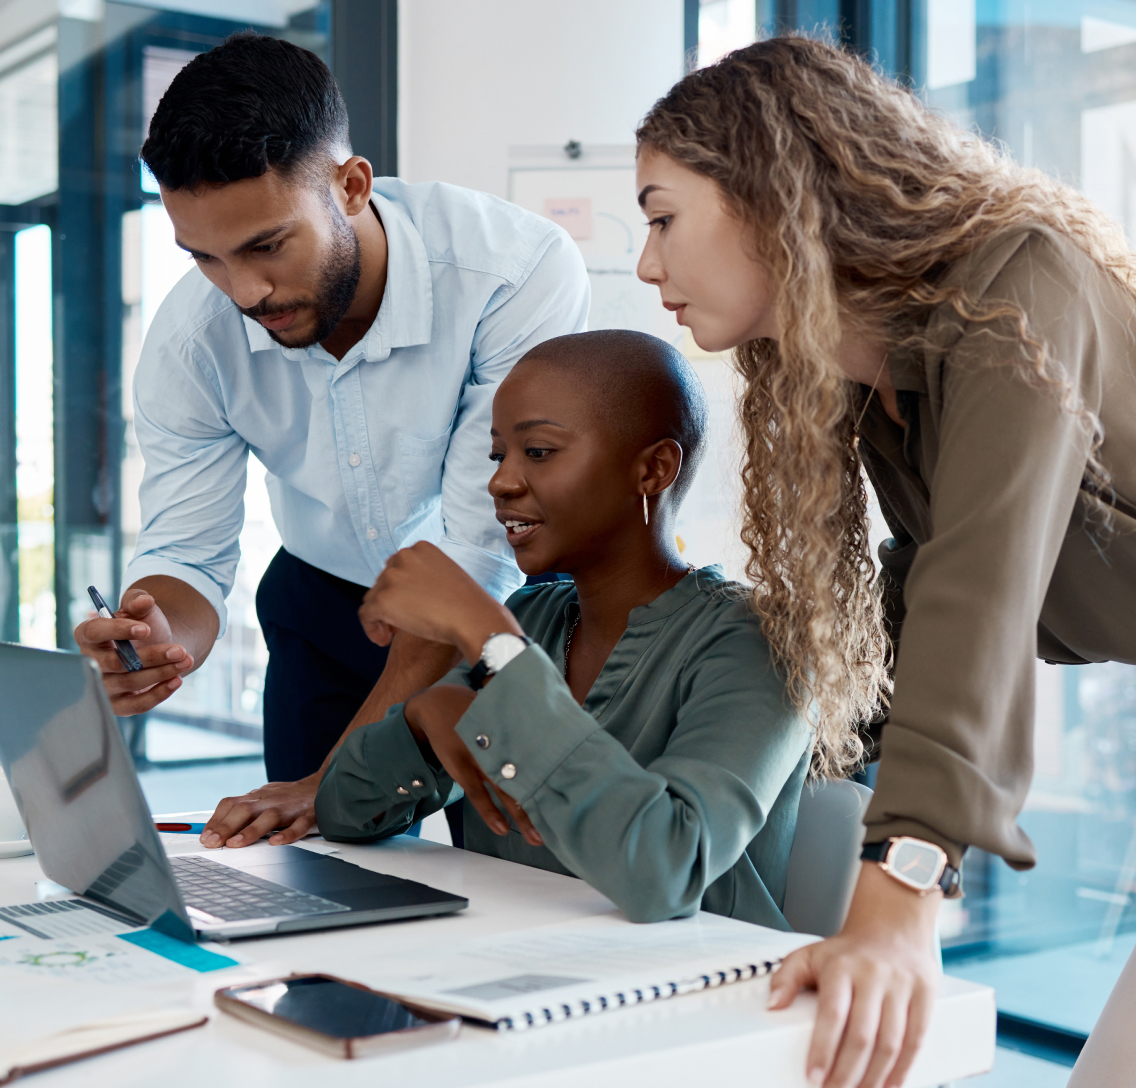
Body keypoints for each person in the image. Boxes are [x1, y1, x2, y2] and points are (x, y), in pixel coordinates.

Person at [634, 35, 1136, 1088]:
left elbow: (979, 588)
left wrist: (904, 878)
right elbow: (910, 595)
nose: (647, 264)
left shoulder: (1023, 279)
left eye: (662, 216)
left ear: (774, 196)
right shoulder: (882, 376)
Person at [71, 33, 589, 850]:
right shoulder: (190, 340)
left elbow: (475, 551)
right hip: (323, 605)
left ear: (351, 186)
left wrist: (335, 779)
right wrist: (159, 638)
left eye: (266, 246)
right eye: (205, 257)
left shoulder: (511, 273)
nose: (244, 291)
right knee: (312, 878)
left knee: (514, 887)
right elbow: (188, 552)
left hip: (501, 614)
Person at [313, 330, 813, 928]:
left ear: (653, 469)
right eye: (499, 454)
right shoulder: (532, 619)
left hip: (695, 999)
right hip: (511, 980)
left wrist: (488, 635)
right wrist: (421, 722)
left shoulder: (756, 640)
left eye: (540, 452)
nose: (501, 482)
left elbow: (667, 871)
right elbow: (343, 811)